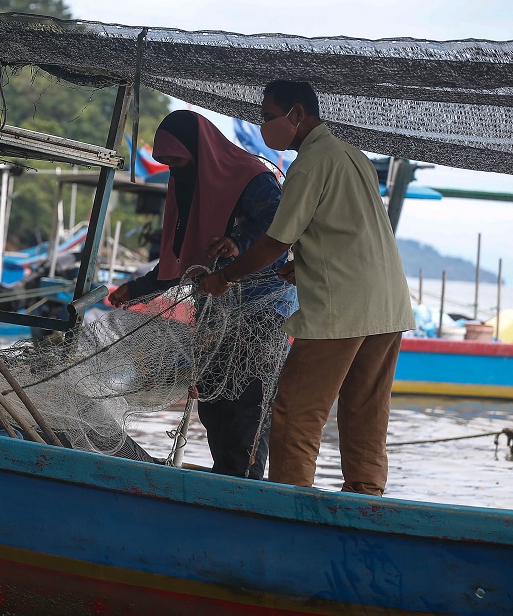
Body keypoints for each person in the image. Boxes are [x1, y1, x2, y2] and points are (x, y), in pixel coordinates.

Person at [199, 80, 415, 496]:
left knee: (296, 410)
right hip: (388, 306)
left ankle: (288, 504)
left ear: (297, 115)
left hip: (343, 309)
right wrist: (307, 262)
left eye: (267, 116)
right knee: (365, 410)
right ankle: (365, 498)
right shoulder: (354, 155)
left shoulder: (311, 162)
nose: (263, 126)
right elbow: (352, 230)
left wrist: (223, 276)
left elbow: (274, 243)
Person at [108, 110, 294, 479]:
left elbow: (276, 223)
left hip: (262, 310)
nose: (176, 172)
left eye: (178, 162)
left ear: (199, 152)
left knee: (247, 403)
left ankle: (245, 485)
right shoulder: (190, 187)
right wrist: (139, 288)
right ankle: (226, 479)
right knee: (211, 398)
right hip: (215, 311)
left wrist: (237, 242)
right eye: (167, 165)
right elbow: (188, 259)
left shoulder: (251, 176)